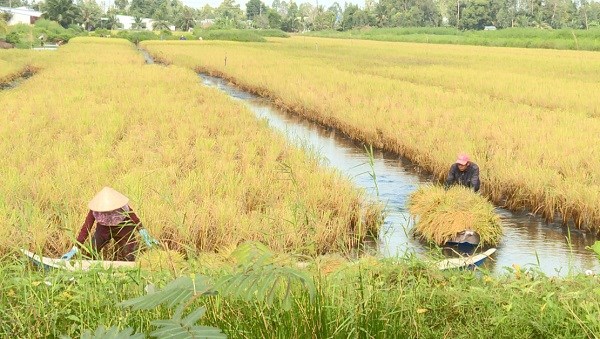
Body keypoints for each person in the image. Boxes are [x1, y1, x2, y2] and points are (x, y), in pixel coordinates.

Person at [61, 187, 158, 261]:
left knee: (129, 255)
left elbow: (135, 219)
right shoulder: (95, 210)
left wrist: (145, 234)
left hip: (124, 229)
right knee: (91, 251)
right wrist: (75, 248)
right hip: (103, 230)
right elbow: (86, 228)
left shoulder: (123, 207)